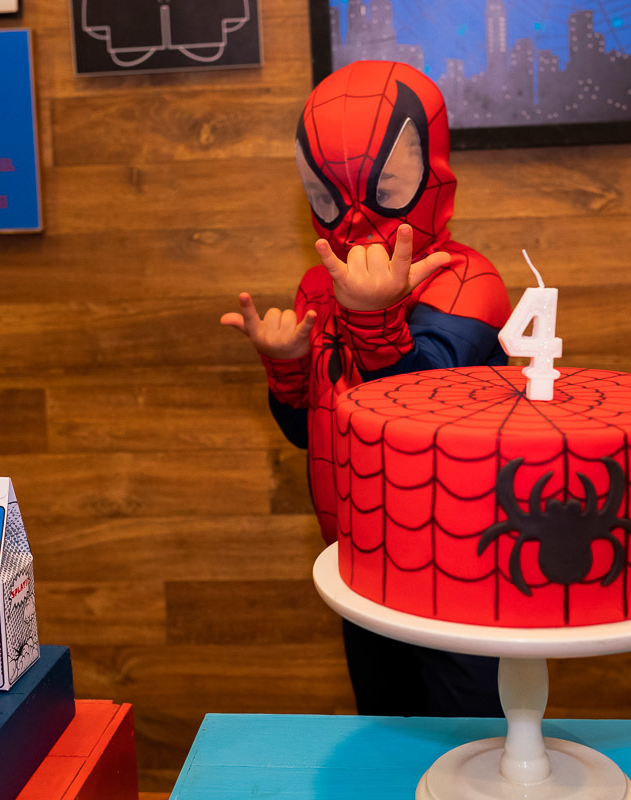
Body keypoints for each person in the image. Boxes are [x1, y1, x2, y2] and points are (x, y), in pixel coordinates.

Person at [222, 60, 511, 717]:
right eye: (329, 195)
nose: (353, 219)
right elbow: (310, 434)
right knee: (384, 728)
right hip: (359, 556)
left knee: (472, 735)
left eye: (381, 187)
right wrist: (288, 368)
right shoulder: (319, 290)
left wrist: (376, 320)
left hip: (458, 562)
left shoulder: (465, 281)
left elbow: (413, 414)